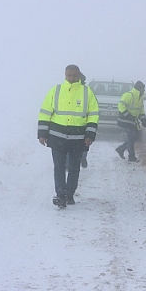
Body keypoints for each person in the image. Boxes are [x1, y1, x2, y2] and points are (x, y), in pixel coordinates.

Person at [38, 65, 99, 208]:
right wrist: (42, 133)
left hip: (78, 138)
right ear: (65, 75)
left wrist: (90, 134)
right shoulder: (56, 90)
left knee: (74, 168)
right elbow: (45, 112)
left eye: (74, 75)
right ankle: (60, 195)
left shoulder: (87, 92)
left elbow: (93, 114)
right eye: (69, 75)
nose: (71, 78)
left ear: (79, 75)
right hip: (57, 136)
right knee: (58, 167)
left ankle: (69, 194)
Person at [115, 81, 146, 162]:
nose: (144, 90)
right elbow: (121, 105)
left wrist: (144, 120)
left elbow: (141, 110)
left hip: (133, 121)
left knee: (136, 137)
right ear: (138, 88)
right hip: (125, 120)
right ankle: (131, 156)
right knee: (131, 137)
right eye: (142, 88)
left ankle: (121, 149)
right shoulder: (129, 95)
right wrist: (128, 115)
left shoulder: (140, 98)